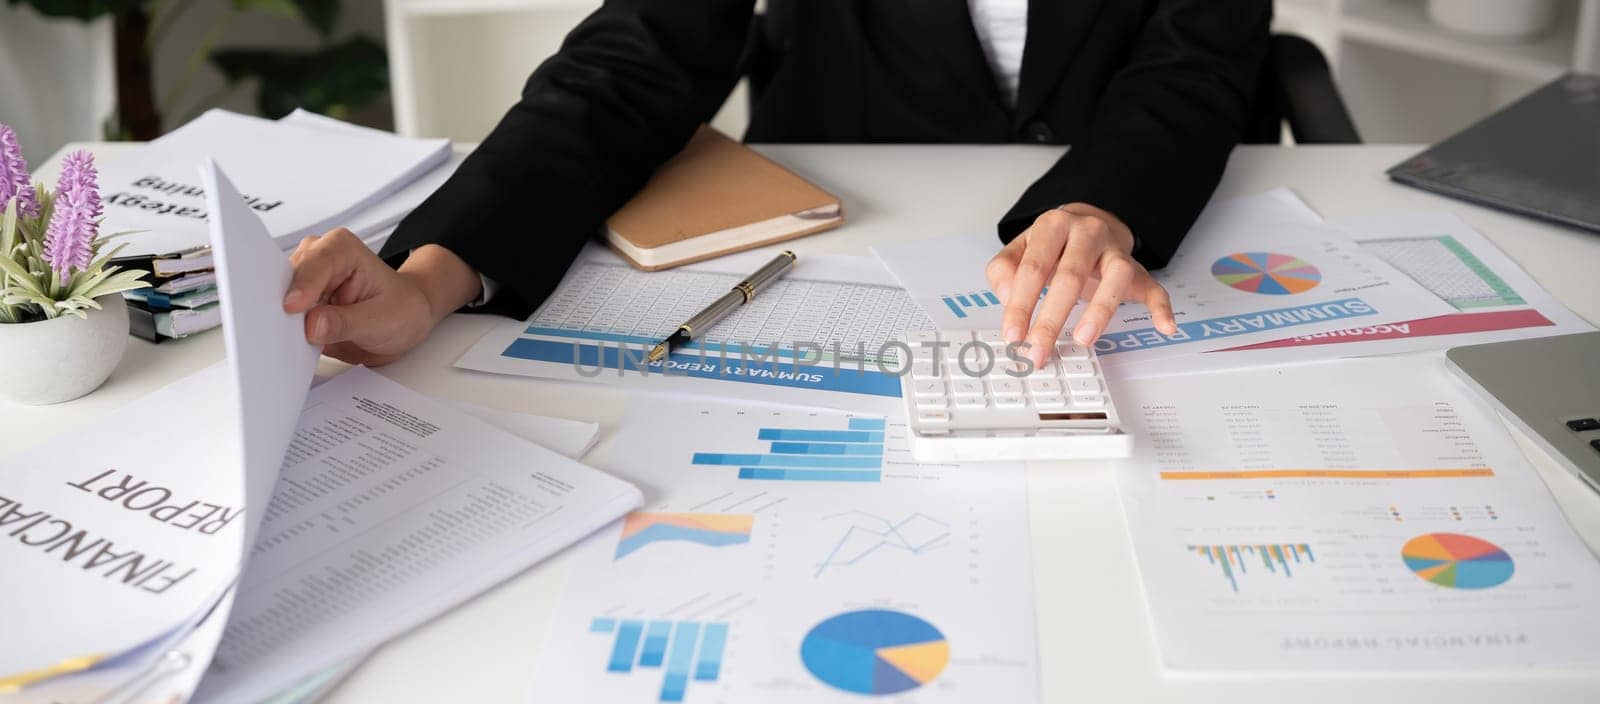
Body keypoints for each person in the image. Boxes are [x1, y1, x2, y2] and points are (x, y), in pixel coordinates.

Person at [284, 1, 1271, 368]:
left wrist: (1106, 200)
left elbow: (1196, 62)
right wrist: (433, 276)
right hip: (832, 252)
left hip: (1110, 249)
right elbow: (631, 63)